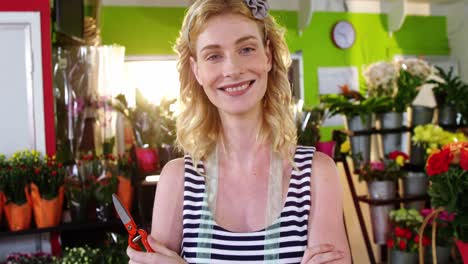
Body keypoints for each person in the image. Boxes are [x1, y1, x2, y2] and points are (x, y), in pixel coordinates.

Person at [127, 0, 351, 263]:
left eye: (246, 49)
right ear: (196, 70)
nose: (232, 69)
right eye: (213, 55)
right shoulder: (178, 181)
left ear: (267, 56)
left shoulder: (316, 175)